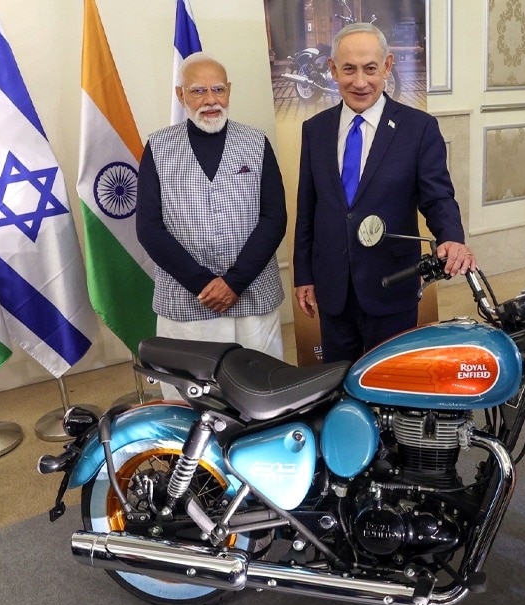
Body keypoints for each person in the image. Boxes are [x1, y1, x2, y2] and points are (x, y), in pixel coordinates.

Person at [292, 22, 475, 363]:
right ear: (333, 70)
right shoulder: (315, 130)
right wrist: (303, 275)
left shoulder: (418, 129)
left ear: (387, 66)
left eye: (370, 69)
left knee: (392, 383)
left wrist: (451, 236)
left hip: (391, 284)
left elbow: (437, 196)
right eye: (349, 69)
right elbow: (308, 207)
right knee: (338, 385)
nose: (360, 82)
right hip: (333, 288)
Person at [136, 53, 287, 392]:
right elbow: (149, 227)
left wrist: (234, 282)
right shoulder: (158, 147)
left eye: (217, 89)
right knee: (191, 395)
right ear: (181, 96)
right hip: (187, 298)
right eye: (198, 91)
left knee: (260, 388)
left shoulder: (255, 142)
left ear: (229, 91)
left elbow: (274, 218)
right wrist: (202, 283)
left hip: (251, 293)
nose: (210, 100)